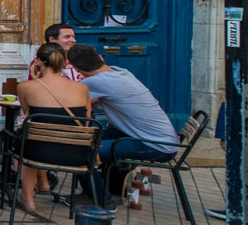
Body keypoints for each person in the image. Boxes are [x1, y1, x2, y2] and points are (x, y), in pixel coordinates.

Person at [67, 44, 177, 204]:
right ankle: (103, 188)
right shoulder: (119, 71)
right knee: (85, 140)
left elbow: (69, 101)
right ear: (100, 58)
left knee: (81, 153)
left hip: (154, 146)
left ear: (77, 69)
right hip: (156, 138)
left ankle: (100, 199)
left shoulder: (98, 81)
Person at [12, 42, 92, 214]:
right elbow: (86, 122)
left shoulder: (25, 87)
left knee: (29, 138)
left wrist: (35, 80)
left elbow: (28, 115)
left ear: (38, 62)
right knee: (35, 139)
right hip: (76, 155)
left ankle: (28, 199)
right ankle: (43, 184)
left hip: (38, 152)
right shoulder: (82, 88)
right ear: (64, 63)